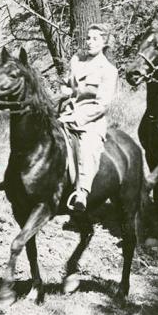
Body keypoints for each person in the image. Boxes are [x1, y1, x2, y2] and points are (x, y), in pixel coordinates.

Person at [57, 23, 118, 213]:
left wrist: (76, 118)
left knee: (88, 147)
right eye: (88, 38)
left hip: (90, 121)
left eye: (95, 39)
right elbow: (68, 85)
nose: (90, 42)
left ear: (104, 42)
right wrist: (64, 91)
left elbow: (102, 105)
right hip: (66, 112)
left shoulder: (108, 70)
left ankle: (81, 192)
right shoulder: (77, 60)